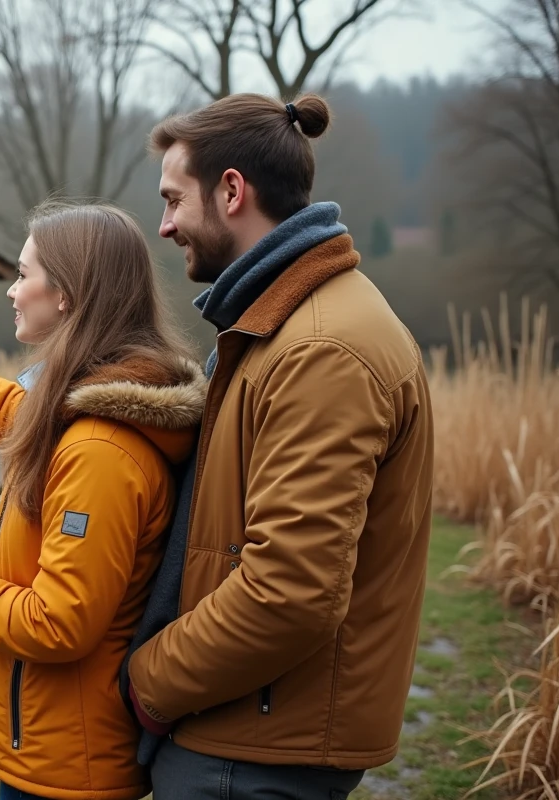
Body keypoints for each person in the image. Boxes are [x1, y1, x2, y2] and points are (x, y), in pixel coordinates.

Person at [119, 92, 435, 799]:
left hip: (252, 747)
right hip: (245, 726)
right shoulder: (282, 325)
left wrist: (149, 680)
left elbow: (289, 591)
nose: (164, 225)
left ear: (231, 190)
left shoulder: (322, 348)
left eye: (173, 199)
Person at [0, 200, 207, 800]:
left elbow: (58, 623)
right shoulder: (100, 397)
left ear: (67, 294)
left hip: (66, 767)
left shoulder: (100, 448)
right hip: (54, 749)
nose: (12, 291)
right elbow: (15, 412)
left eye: (24, 274)